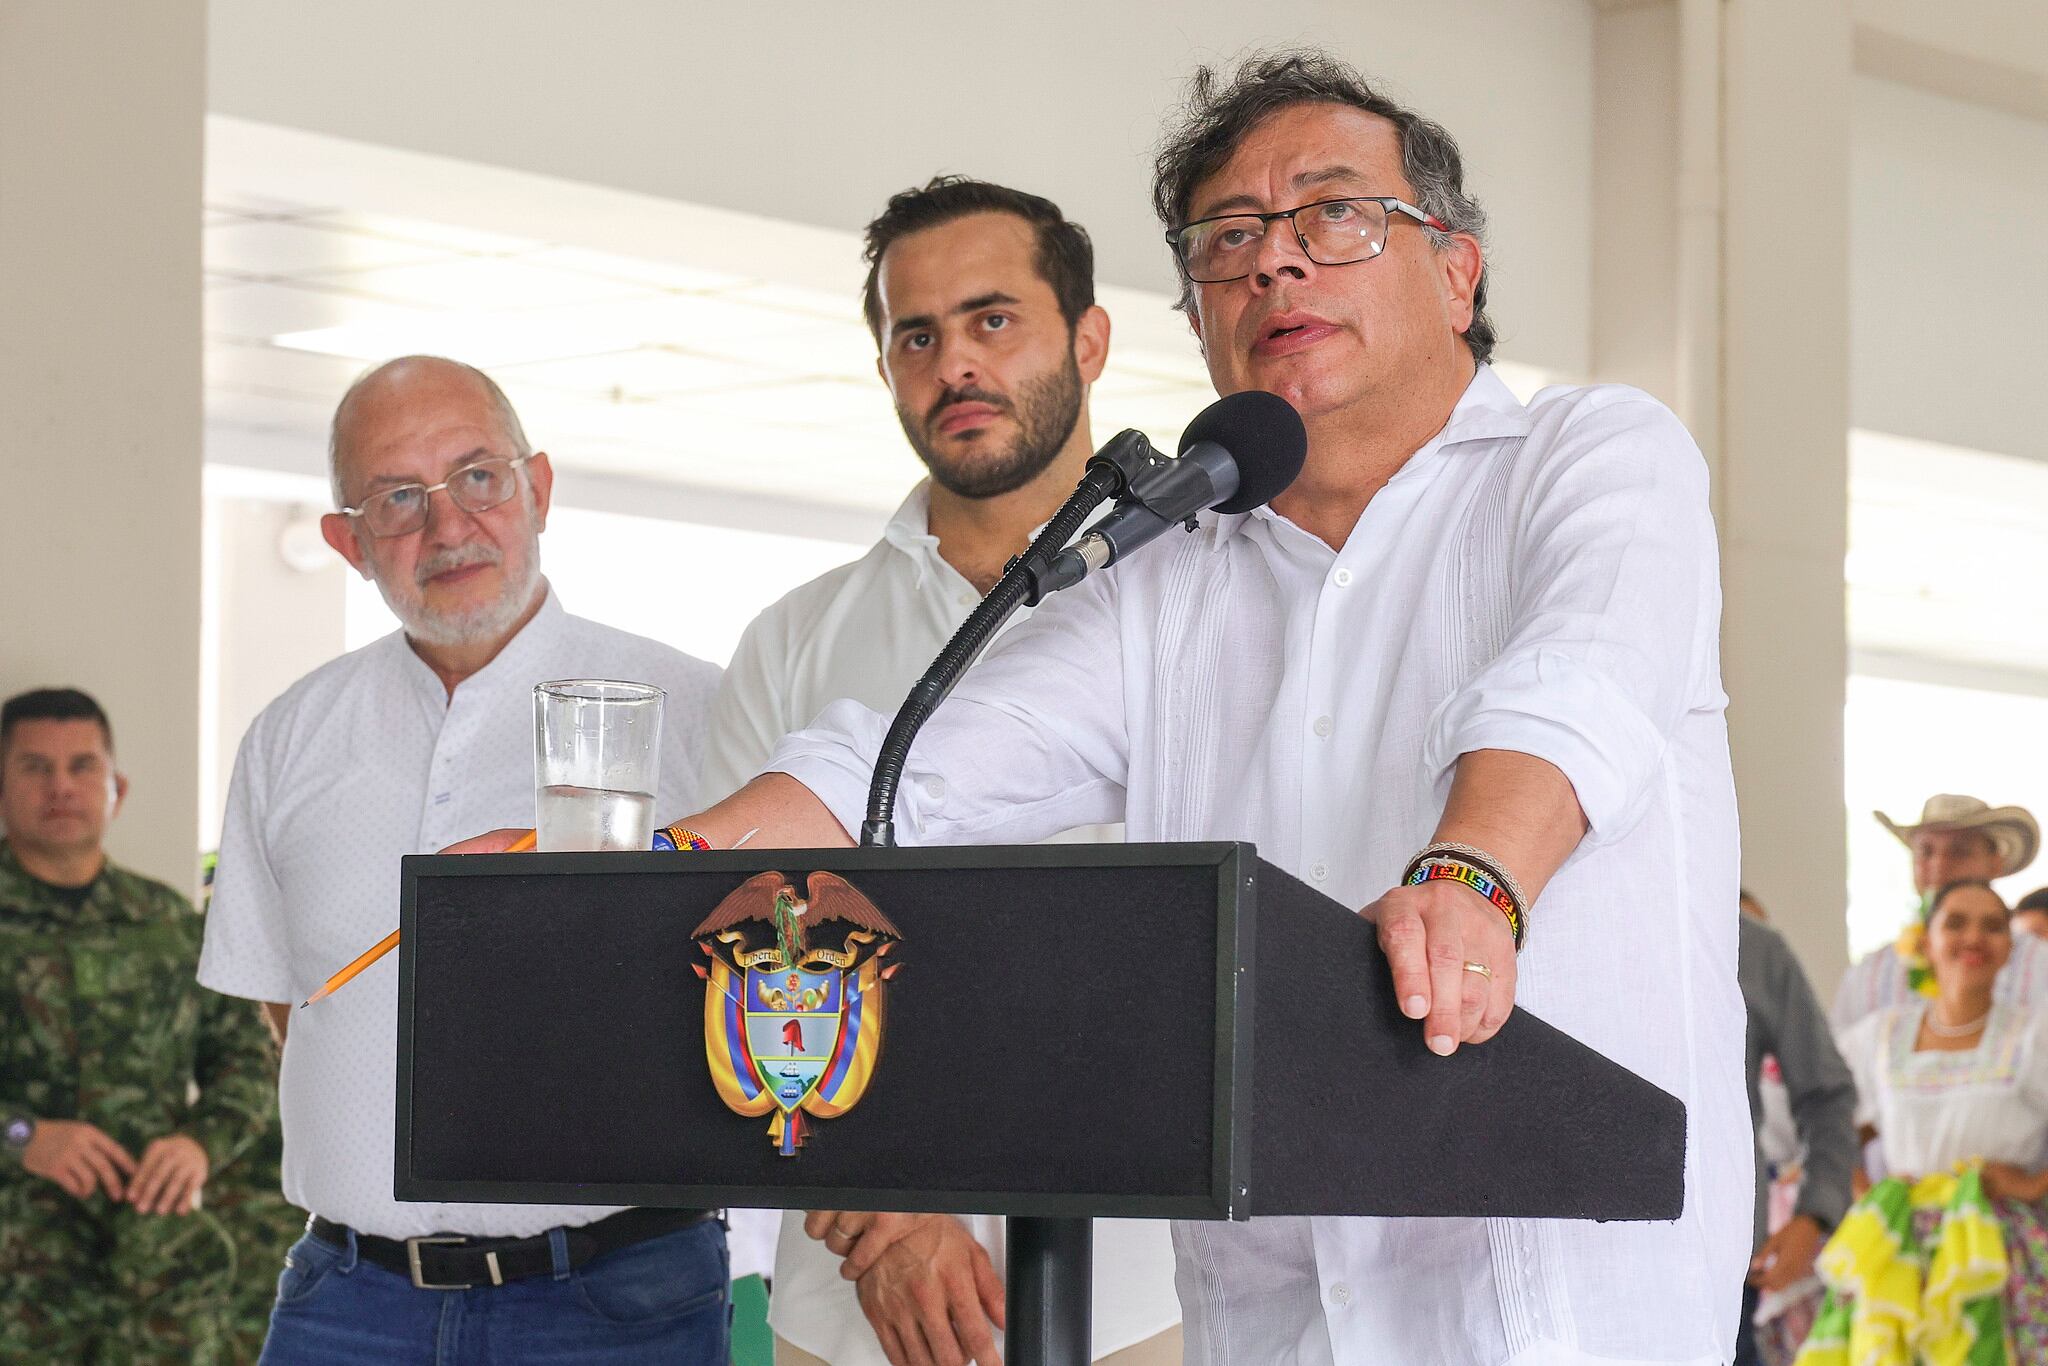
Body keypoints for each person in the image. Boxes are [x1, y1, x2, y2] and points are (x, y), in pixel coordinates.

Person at [448, 49, 1749, 1364]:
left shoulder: (1594, 458)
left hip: (1555, 1314)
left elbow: (1576, 687)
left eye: (1334, 216)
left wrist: (1472, 876)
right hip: (1276, 1326)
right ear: (1197, 315)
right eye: (1228, 239)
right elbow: (910, 770)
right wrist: (640, 871)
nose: (1274, 264)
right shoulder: (1173, 572)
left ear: (1456, 270)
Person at [703, 176, 1181, 1365]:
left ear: (1089, 338)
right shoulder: (791, 642)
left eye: (991, 319)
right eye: (914, 335)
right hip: (857, 1309)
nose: (952, 362)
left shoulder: (1207, 598)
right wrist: (884, 1213)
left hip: (1154, 1294)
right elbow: (721, 953)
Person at [197, 356, 729, 1363]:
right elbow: (287, 999)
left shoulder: (700, 709)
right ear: (349, 544)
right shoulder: (288, 735)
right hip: (347, 1303)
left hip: (617, 1302)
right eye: (398, 498)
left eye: (477, 476)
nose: (446, 527)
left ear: (538, 487)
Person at [1, 687, 280, 1363]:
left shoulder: (167, 923)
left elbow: (247, 1060)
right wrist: (23, 1137)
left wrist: (199, 1146)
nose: (61, 787)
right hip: (20, 1274)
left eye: (82, 767)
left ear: (115, 787)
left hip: (158, 1273)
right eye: (37, 768)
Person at [1801, 882, 2048, 1362]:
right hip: (1898, 1251)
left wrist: (2034, 1184)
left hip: (1998, 1256)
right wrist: (1864, 1192)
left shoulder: (2032, 1038)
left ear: (2008, 951)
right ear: (1924, 941)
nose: (1974, 937)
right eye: (1955, 922)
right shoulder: (1880, 1038)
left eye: (1992, 926)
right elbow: (1827, 1122)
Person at [1735, 892, 1859, 1366]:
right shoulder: (1535, 912)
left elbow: (1827, 1094)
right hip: (1553, 1261)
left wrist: (1814, 1215)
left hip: (1728, 1269)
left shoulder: (1755, 949)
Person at [1831, 795, 2044, 1031]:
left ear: (1995, 862)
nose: (1939, 864)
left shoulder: (2037, 963)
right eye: (1926, 851)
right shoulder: (1870, 974)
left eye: (1959, 851)